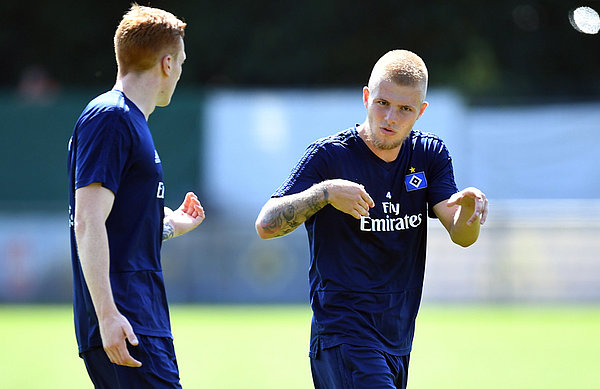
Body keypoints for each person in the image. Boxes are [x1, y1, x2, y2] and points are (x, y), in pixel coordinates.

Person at [255, 49, 488, 389]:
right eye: (382, 103)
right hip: (342, 332)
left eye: (405, 109)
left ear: (420, 112)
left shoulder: (429, 155)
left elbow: (462, 235)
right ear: (366, 97)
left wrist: (468, 210)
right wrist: (324, 194)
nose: (390, 117)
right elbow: (266, 224)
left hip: (398, 334)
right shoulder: (329, 156)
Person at [67, 4, 204, 388]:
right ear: (166, 63)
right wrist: (108, 315)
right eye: (180, 62)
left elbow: (119, 225)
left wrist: (170, 225)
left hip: (144, 316)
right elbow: (88, 220)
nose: (179, 72)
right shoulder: (111, 117)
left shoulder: (131, 121)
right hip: (125, 319)